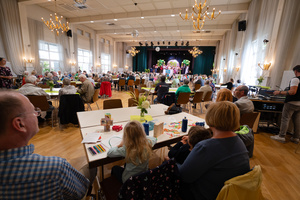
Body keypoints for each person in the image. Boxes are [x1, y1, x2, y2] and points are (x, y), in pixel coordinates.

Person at [0, 91, 89, 199]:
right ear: (20, 124)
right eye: (34, 111)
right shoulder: (55, 168)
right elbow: (79, 192)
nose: (38, 114)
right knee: (90, 168)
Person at [178, 101, 250, 200]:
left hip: (207, 195)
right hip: (230, 194)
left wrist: (170, 162)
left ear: (211, 118)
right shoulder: (239, 141)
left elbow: (184, 177)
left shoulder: (205, 147)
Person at [271, 65, 300, 143]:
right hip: (299, 104)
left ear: (296, 71)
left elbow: (292, 92)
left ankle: (281, 136)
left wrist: (279, 92)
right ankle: (296, 138)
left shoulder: (296, 79)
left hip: (291, 103)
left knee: (285, 119)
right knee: (297, 121)